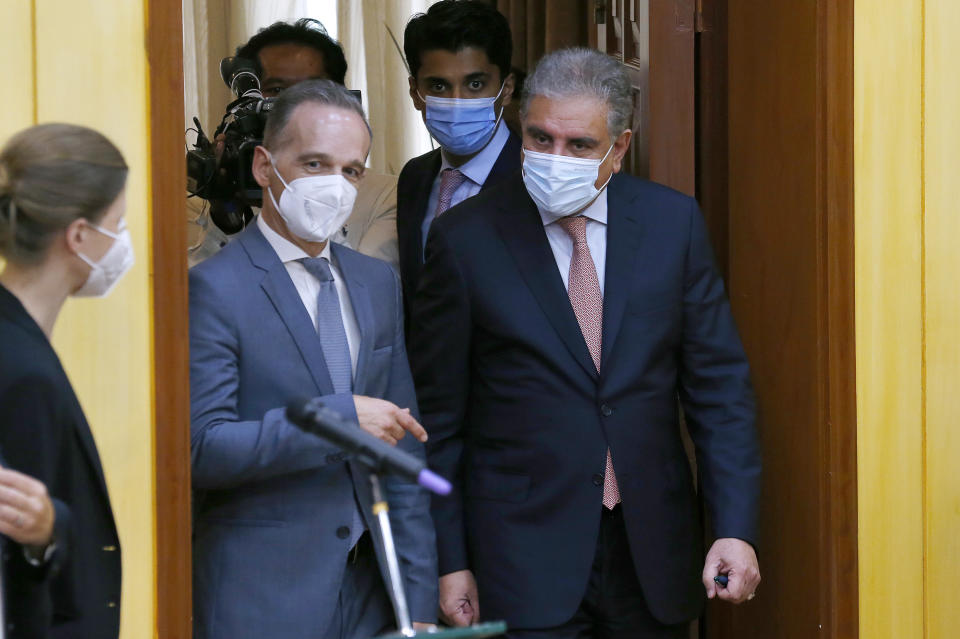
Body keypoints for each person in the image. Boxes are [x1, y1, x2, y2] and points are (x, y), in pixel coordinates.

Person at [409, 48, 762, 638]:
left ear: (619, 148)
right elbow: (438, 421)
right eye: (540, 138)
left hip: (650, 553)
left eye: (579, 146)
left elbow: (720, 393)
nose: (555, 158)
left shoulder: (672, 226)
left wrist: (734, 527)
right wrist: (451, 560)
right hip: (520, 559)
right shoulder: (464, 241)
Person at [189, 80, 437, 639]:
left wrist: (417, 605)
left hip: (375, 599)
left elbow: (405, 451)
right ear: (263, 166)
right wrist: (337, 419)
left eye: (351, 170)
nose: (335, 186)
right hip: (261, 598)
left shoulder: (377, 283)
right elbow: (200, 448)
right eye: (314, 164)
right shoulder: (213, 289)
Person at [0, 123, 129, 638]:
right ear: (78, 236)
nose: (122, 244)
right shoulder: (23, 372)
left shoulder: (21, 342)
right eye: (117, 225)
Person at [189, 18, 399, 268]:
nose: (294, 105)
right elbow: (197, 294)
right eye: (277, 91)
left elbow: (364, 293)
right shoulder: (204, 199)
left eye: (312, 89)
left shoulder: (386, 195)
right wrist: (227, 218)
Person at [397, 0, 520, 321]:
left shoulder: (537, 180)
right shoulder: (414, 176)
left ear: (506, 89)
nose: (456, 102)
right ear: (414, 91)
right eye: (438, 86)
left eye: (475, 84)